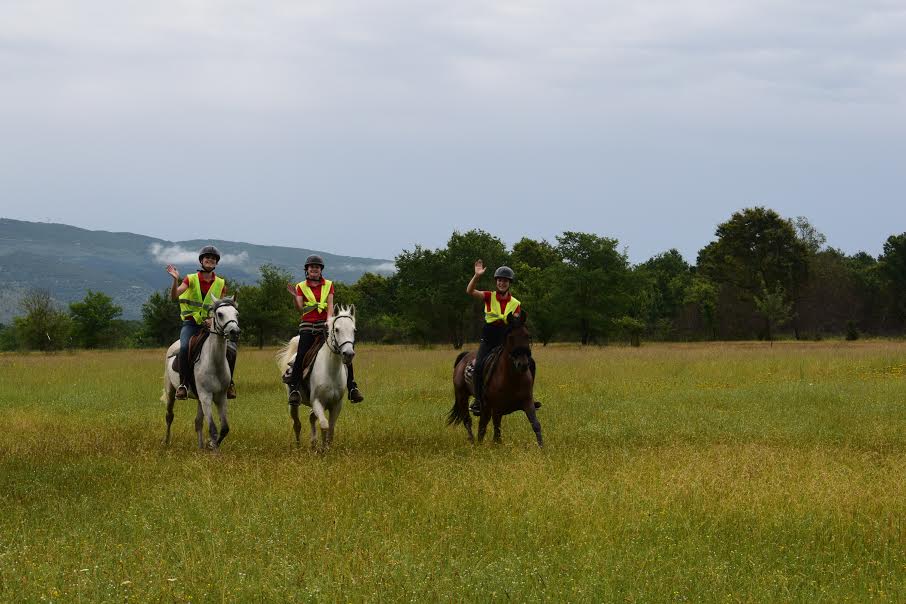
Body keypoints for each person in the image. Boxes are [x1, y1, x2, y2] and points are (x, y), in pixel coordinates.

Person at [283, 254, 364, 405]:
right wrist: (295, 297)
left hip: (325, 325)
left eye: (317, 267)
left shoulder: (329, 285)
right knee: (301, 355)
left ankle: (352, 387)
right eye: (312, 267)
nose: (314, 269)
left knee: (344, 352)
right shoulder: (300, 286)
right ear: (307, 270)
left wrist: (329, 321)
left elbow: (331, 305)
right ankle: (294, 389)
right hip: (307, 325)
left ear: (321, 270)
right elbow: (300, 308)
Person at [166, 245, 237, 400]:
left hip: (211, 325)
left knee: (231, 349)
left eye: (213, 259)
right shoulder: (190, 279)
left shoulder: (220, 283)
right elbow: (174, 296)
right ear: (201, 261)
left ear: (216, 263)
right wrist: (175, 280)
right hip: (191, 324)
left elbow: (221, 306)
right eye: (207, 258)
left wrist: (213, 319)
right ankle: (183, 385)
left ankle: (229, 384)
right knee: (184, 347)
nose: (210, 260)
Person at [465, 259, 524, 416]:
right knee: (478, 367)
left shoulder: (516, 303)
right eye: (499, 280)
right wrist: (477, 276)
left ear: (509, 283)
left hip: (506, 340)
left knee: (526, 362)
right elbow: (470, 291)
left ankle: (527, 397)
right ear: (496, 282)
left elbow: (517, 323)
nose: (502, 283)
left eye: (505, 281)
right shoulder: (488, 296)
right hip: (489, 339)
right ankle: (478, 401)